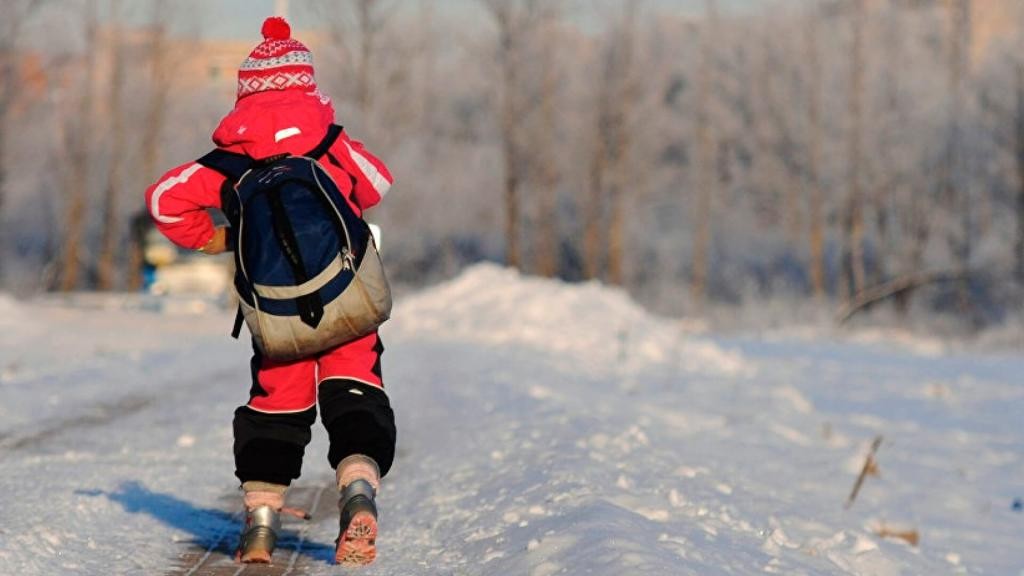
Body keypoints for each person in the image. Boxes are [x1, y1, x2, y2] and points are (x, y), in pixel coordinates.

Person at [144, 16, 396, 567]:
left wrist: (214, 238)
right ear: (307, 86)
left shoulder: (231, 161)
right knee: (356, 393)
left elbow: (163, 199)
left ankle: (260, 527)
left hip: (277, 317)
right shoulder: (330, 141)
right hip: (349, 301)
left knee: (276, 406)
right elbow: (377, 184)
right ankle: (357, 495)